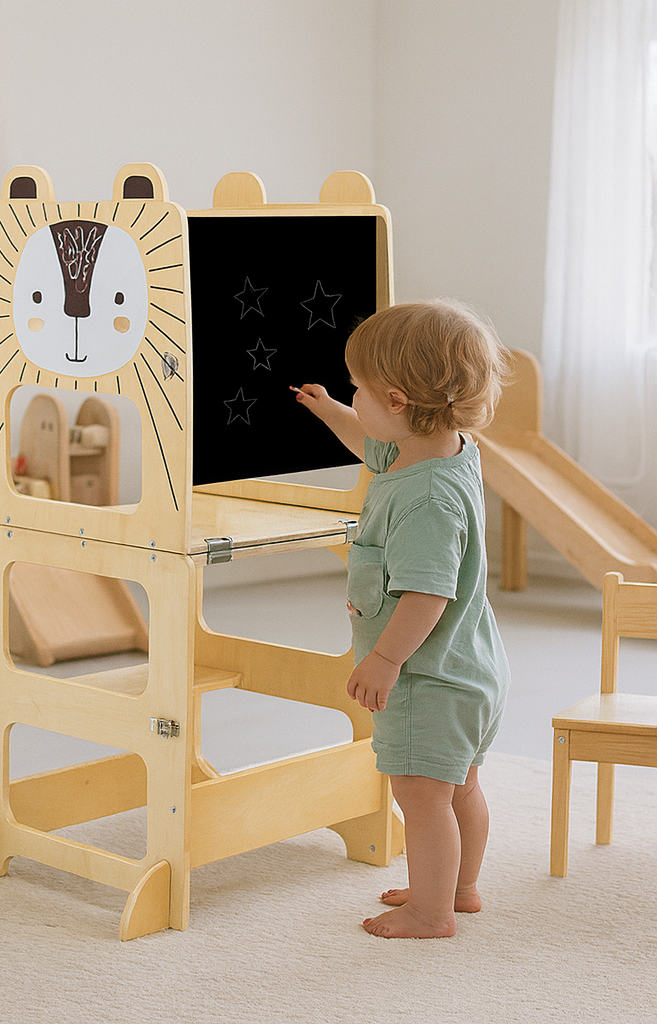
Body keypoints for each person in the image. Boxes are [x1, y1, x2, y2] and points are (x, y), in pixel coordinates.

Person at [294, 299, 511, 938]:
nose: (353, 398)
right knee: (459, 786)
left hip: (425, 677)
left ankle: (430, 912)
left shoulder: (425, 500)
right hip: (471, 666)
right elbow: (371, 443)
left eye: (358, 389)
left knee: (420, 796)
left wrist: (385, 660)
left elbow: (425, 595)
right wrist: (329, 409)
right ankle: (458, 887)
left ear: (396, 400)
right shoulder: (441, 450)